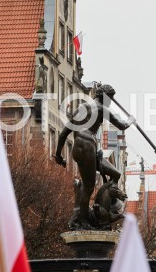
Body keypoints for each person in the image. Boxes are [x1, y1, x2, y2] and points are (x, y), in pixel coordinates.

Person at [55, 84, 135, 230]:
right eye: (110, 99)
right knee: (88, 186)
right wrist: (131, 120)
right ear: (104, 96)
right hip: (87, 146)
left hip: (78, 148)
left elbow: (63, 134)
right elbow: (122, 125)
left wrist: (58, 154)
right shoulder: (102, 108)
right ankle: (82, 221)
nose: (110, 102)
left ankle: (107, 205)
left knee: (115, 173)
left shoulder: (80, 108)